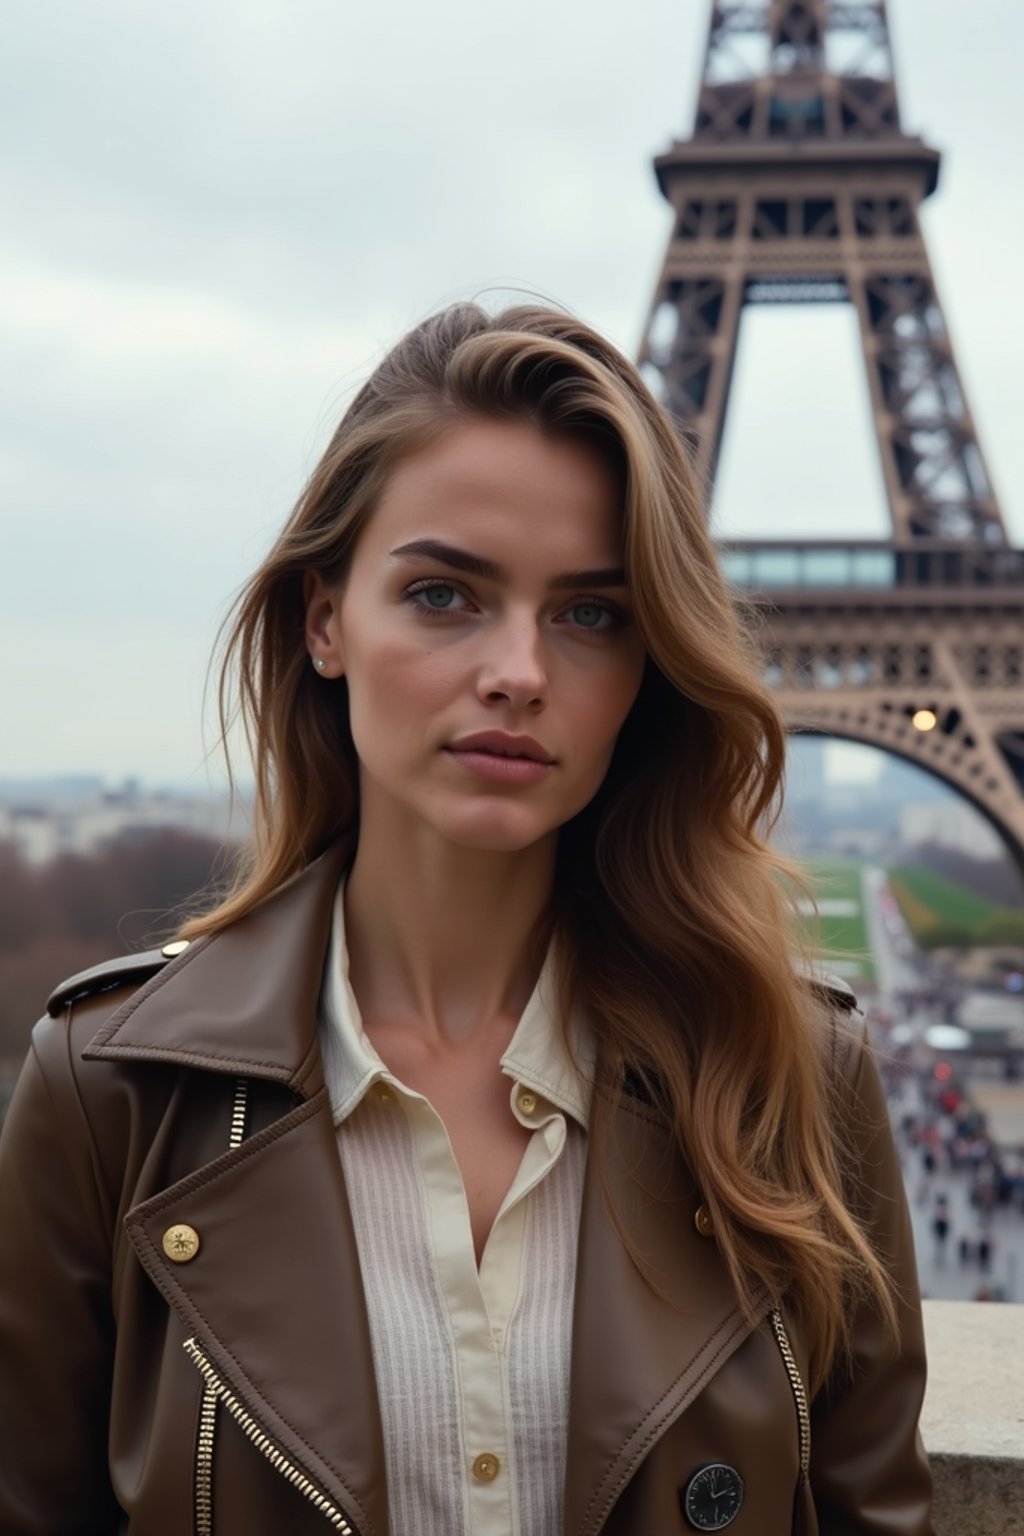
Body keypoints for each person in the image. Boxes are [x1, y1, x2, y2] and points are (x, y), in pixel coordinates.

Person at [0, 302, 933, 1534]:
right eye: (444, 595)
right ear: (324, 620)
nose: (519, 672)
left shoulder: (796, 1078)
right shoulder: (106, 1089)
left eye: (592, 613)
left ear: (647, 666)